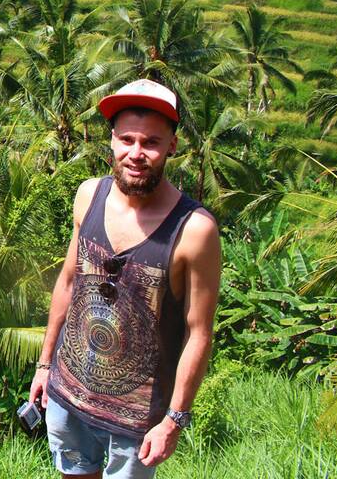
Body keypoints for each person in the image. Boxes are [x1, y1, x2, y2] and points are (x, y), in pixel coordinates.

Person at [28, 79, 221, 478]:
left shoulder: (195, 230)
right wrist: (44, 365)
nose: (136, 153)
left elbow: (199, 332)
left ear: (172, 146)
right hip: (68, 395)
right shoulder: (88, 195)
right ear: (111, 141)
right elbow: (67, 281)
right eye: (126, 139)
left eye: (150, 142)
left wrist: (175, 419)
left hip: (137, 423)